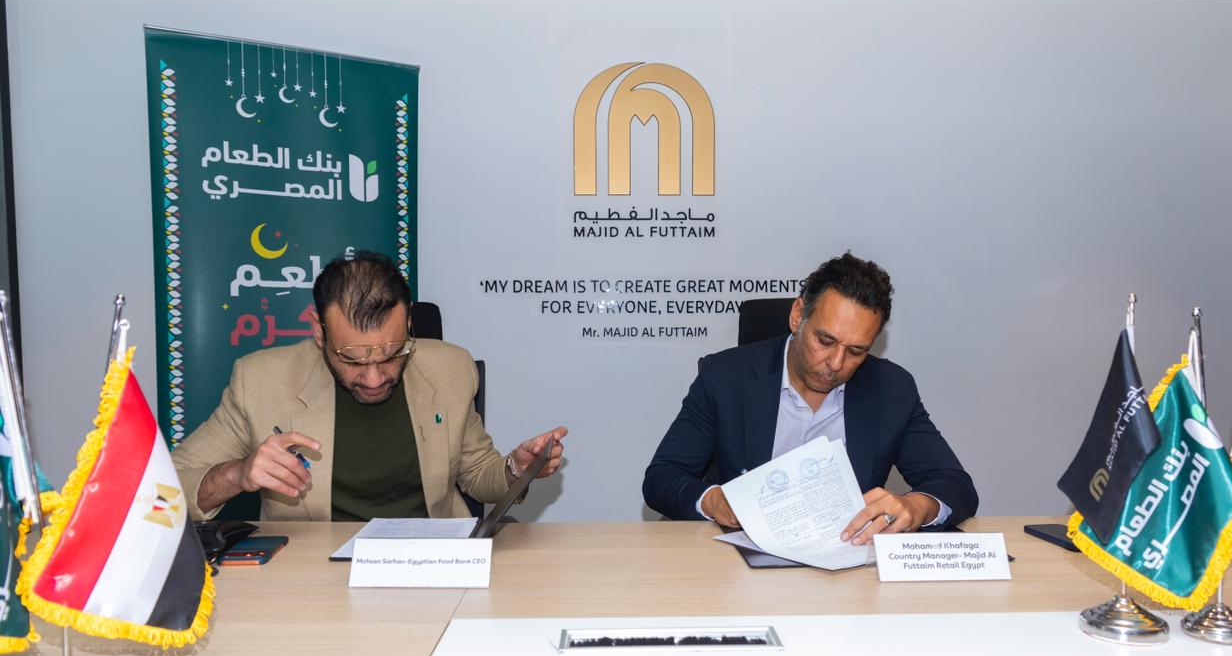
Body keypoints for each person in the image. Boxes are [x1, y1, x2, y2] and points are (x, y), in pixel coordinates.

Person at [173, 251, 567, 522]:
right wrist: (237, 474)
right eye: (353, 359)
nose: (375, 378)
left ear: (409, 325)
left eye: (392, 354)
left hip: (432, 564)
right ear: (319, 333)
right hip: (314, 578)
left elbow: (478, 473)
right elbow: (162, 489)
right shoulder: (260, 381)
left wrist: (516, 468)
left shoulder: (451, 368)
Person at [642, 252, 976, 545]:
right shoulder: (725, 377)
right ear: (797, 314)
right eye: (825, 341)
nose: (836, 363)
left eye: (856, 351)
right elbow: (662, 477)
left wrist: (917, 506)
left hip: (846, 564)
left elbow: (955, 484)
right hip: (741, 567)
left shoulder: (891, 389)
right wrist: (714, 501)